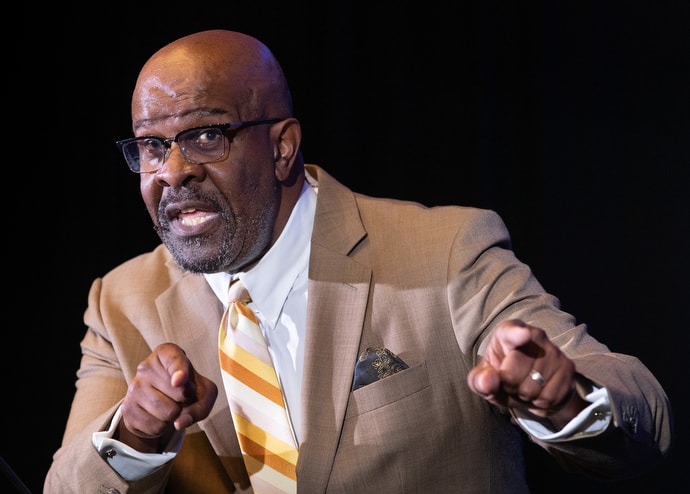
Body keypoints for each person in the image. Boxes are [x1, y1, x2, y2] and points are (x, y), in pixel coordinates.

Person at [44, 29, 673, 493]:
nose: (173, 171)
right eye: (151, 147)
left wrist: (563, 402)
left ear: (283, 147)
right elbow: (65, 486)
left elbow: (645, 418)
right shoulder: (121, 301)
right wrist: (135, 432)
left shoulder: (445, 251)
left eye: (206, 136)